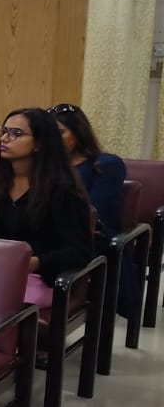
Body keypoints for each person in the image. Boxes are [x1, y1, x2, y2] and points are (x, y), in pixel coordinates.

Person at [0, 107, 94, 310]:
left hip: (39, 278)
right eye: (3, 131)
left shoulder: (63, 190)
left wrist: (36, 262)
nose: (4, 139)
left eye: (16, 133)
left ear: (39, 143)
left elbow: (79, 251)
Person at [50, 102, 138, 318]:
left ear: (78, 134)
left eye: (59, 132)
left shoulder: (105, 164)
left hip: (93, 238)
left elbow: (97, 213)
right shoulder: (43, 166)